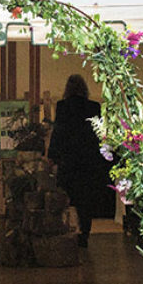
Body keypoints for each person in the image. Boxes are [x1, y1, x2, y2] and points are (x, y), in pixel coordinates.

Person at [46, 74, 106, 248]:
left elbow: (59, 133)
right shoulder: (94, 107)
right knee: (85, 199)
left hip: (69, 159)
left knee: (67, 196)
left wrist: (52, 155)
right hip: (88, 160)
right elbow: (98, 135)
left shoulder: (63, 107)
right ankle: (84, 233)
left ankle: (67, 230)